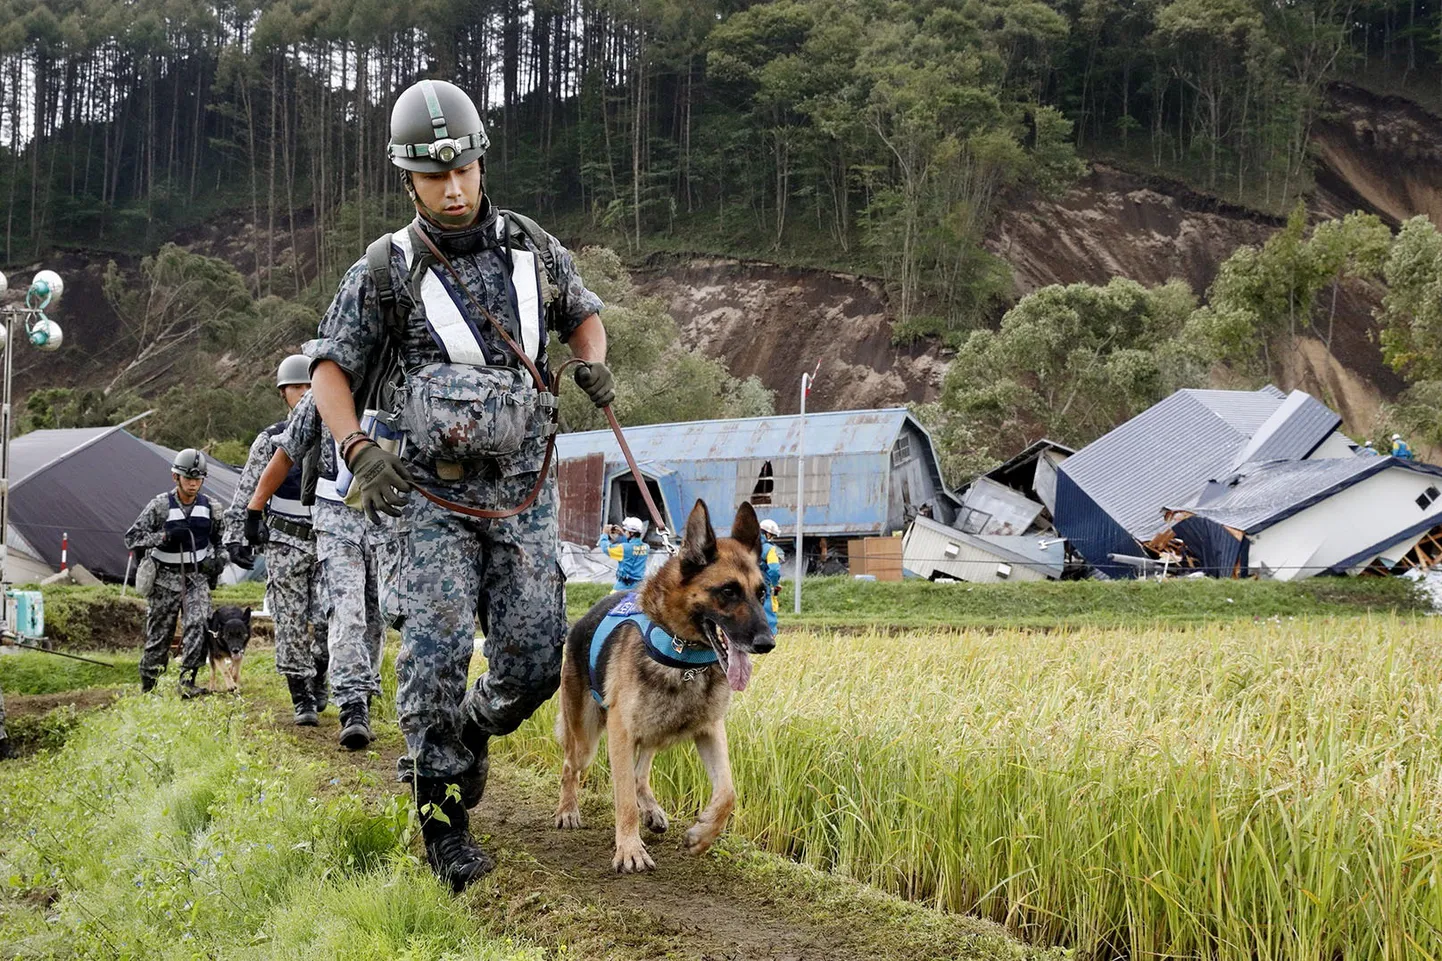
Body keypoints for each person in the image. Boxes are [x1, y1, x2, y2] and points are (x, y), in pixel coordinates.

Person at [304, 78, 609, 891]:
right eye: (434, 176)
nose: (452, 187)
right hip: (429, 501)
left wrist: (592, 361)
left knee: (539, 660)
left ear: (480, 162)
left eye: (464, 170)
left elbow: (582, 312)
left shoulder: (532, 247)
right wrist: (358, 445)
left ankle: (473, 731)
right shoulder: (384, 270)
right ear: (408, 179)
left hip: (524, 492)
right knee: (435, 655)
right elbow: (329, 369)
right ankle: (440, 816)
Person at [247, 389, 388, 751]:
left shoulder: (397, 381)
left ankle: (365, 696)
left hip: (386, 511)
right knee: (346, 609)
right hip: (335, 511)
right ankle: (353, 706)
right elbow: (287, 451)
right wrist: (254, 506)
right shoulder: (323, 393)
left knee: (376, 615)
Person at [226, 355, 330, 726]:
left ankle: (320, 674)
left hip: (328, 541)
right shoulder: (270, 440)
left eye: (309, 388)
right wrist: (236, 535)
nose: (302, 395)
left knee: (327, 618)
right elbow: (248, 489)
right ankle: (300, 693)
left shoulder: (336, 433)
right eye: (295, 389)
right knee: (289, 620)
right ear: (284, 394)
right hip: (284, 540)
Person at [125, 450, 228, 697]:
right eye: (188, 478)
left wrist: (218, 562)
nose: (193, 483)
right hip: (163, 580)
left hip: (197, 579)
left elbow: (222, 543)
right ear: (176, 477)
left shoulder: (212, 508)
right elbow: (132, 538)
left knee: (198, 626)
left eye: (198, 479)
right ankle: (150, 686)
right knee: (159, 635)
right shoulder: (159, 506)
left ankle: (188, 681)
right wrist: (164, 537)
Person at [599, 517, 649, 592]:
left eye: (626, 531)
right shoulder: (646, 547)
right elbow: (631, 547)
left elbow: (606, 548)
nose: (624, 532)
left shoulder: (624, 548)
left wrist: (604, 534)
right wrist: (622, 535)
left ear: (631, 533)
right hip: (639, 586)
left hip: (623, 586)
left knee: (610, 602)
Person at [758, 519, 784, 633]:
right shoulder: (770, 549)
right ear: (767, 534)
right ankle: (770, 635)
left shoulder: (747, 546)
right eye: (772, 536)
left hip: (746, 585)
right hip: (764, 585)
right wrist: (775, 584)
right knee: (768, 612)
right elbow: (774, 570)